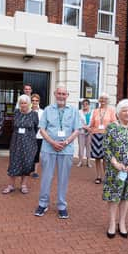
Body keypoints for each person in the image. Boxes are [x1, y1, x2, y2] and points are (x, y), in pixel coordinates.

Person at [34, 86, 82, 219]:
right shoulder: (48, 110)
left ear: (67, 95)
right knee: (46, 177)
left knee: (63, 179)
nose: (61, 96)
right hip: (49, 148)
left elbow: (77, 130)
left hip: (66, 150)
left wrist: (65, 142)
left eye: (63, 94)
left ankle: (62, 206)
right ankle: (43, 204)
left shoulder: (73, 111)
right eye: (59, 93)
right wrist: (52, 142)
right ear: (55, 94)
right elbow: (42, 129)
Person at [103, 99, 128, 239]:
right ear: (118, 112)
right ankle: (112, 223)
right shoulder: (111, 127)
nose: (127, 113)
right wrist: (115, 163)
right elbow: (106, 148)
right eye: (124, 110)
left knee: (126, 196)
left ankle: (122, 223)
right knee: (114, 196)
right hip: (115, 169)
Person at [3, 95, 39, 194]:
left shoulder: (34, 114)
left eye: (25, 103)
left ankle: (23, 185)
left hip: (29, 143)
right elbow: (13, 126)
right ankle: (11, 185)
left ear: (29, 104)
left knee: (27, 163)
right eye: (21, 103)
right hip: (16, 142)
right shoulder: (16, 113)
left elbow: (36, 128)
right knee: (13, 162)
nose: (23, 105)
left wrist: (28, 136)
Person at [89, 94, 117, 184]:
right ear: (99, 100)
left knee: (106, 157)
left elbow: (115, 123)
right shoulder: (95, 111)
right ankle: (98, 176)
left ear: (108, 100)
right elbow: (92, 124)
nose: (103, 100)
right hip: (96, 136)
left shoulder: (111, 111)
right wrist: (90, 130)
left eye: (105, 99)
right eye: (101, 98)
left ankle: (106, 177)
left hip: (107, 136)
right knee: (97, 158)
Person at [30, 93, 44, 178]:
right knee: (28, 153)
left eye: (36, 100)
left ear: (39, 101)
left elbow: (44, 124)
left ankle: (35, 171)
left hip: (39, 136)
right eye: (33, 100)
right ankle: (27, 169)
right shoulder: (28, 110)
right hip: (28, 136)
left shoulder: (42, 112)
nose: (35, 102)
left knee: (36, 153)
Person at [78, 99, 93, 167]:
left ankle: (88, 162)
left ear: (89, 105)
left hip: (89, 132)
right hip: (81, 131)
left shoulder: (92, 112)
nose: (85, 105)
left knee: (88, 147)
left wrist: (89, 128)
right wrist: (85, 127)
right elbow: (78, 122)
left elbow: (93, 122)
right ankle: (80, 161)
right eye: (83, 104)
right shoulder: (79, 112)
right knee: (81, 147)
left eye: (86, 104)